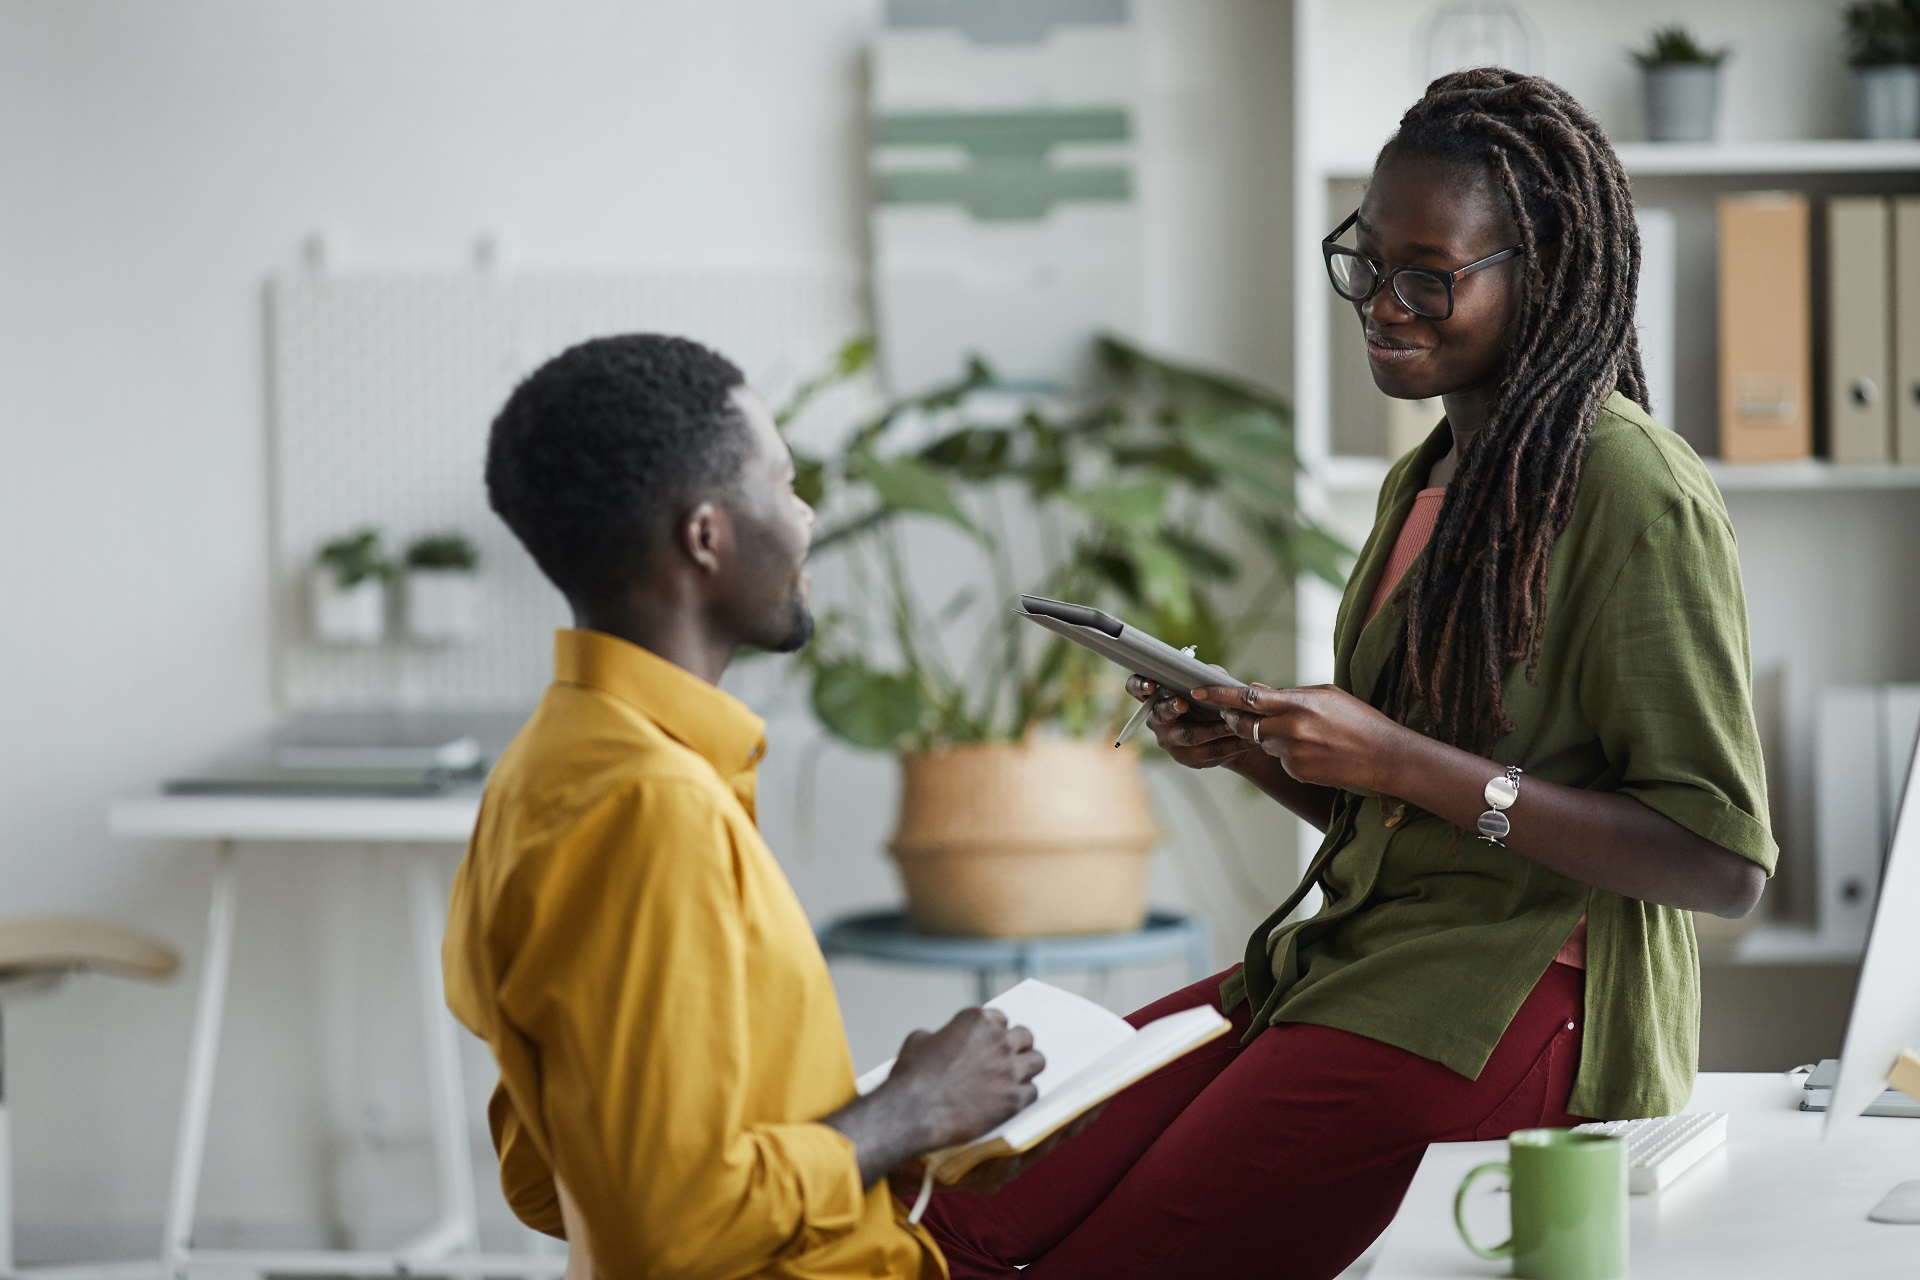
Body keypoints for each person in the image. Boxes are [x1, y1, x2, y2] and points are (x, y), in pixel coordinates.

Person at [922, 68, 1775, 1279]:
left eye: (1431, 274)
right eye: (1368, 261)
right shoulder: (1427, 476)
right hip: (1354, 953)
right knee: (971, 1205)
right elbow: (1402, 818)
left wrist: (1395, 756)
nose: (1383, 302)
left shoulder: (1633, 488)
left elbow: (1720, 857)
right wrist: (1265, 749)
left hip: (1510, 998)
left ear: (1539, 273)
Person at [443, 333, 1056, 1279]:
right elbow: (666, 1223)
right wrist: (911, 1111)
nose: (807, 519)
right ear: (706, 533)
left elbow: (543, 1180)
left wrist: (890, 1120)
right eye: (784, 483)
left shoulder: (544, 767)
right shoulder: (652, 810)